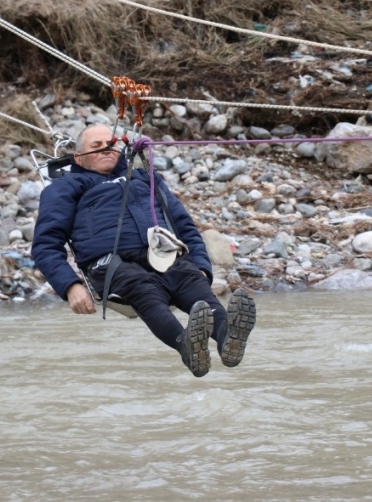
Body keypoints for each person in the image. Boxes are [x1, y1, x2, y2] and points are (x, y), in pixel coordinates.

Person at [31, 124, 256, 377]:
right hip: (111, 264)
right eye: (96, 146)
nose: (107, 148)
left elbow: (184, 225)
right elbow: (45, 244)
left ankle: (228, 337)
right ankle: (186, 345)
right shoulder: (65, 188)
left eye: (112, 143)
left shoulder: (143, 177)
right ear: (78, 156)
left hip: (162, 252)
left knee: (191, 281)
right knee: (142, 287)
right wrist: (70, 286)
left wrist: (202, 266)